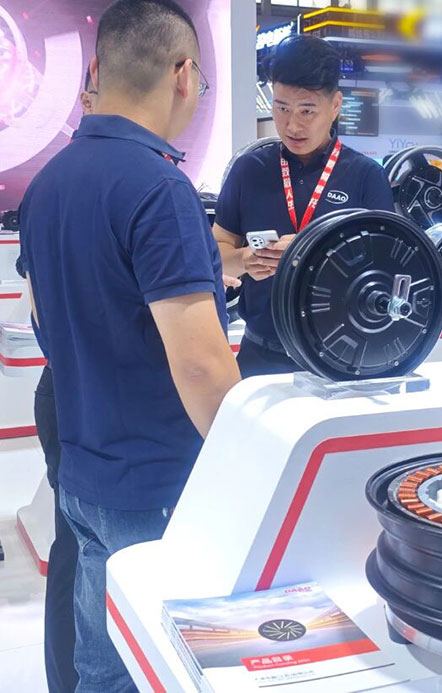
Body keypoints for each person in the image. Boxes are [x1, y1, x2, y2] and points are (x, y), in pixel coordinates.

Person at [18, 2, 241, 691]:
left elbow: (43, 320)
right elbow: (200, 363)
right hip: (158, 485)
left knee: (102, 667)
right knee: (169, 669)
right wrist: (247, 461)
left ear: (95, 70)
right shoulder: (160, 187)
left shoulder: (48, 183)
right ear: (183, 74)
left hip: (85, 475)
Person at [213, 35, 394, 377]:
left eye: (307, 111)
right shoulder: (249, 170)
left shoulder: (365, 176)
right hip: (260, 357)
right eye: (282, 108)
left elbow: (386, 272)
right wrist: (244, 260)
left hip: (341, 359)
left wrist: (308, 252)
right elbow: (216, 254)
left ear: (335, 105)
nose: (292, 125)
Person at [18, 65, 100, 693]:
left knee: (77, 545)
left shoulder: (48, 183)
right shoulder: (143, 182)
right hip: (85, 396)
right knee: (81, 546)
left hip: (68, 389)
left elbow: (38, 303)